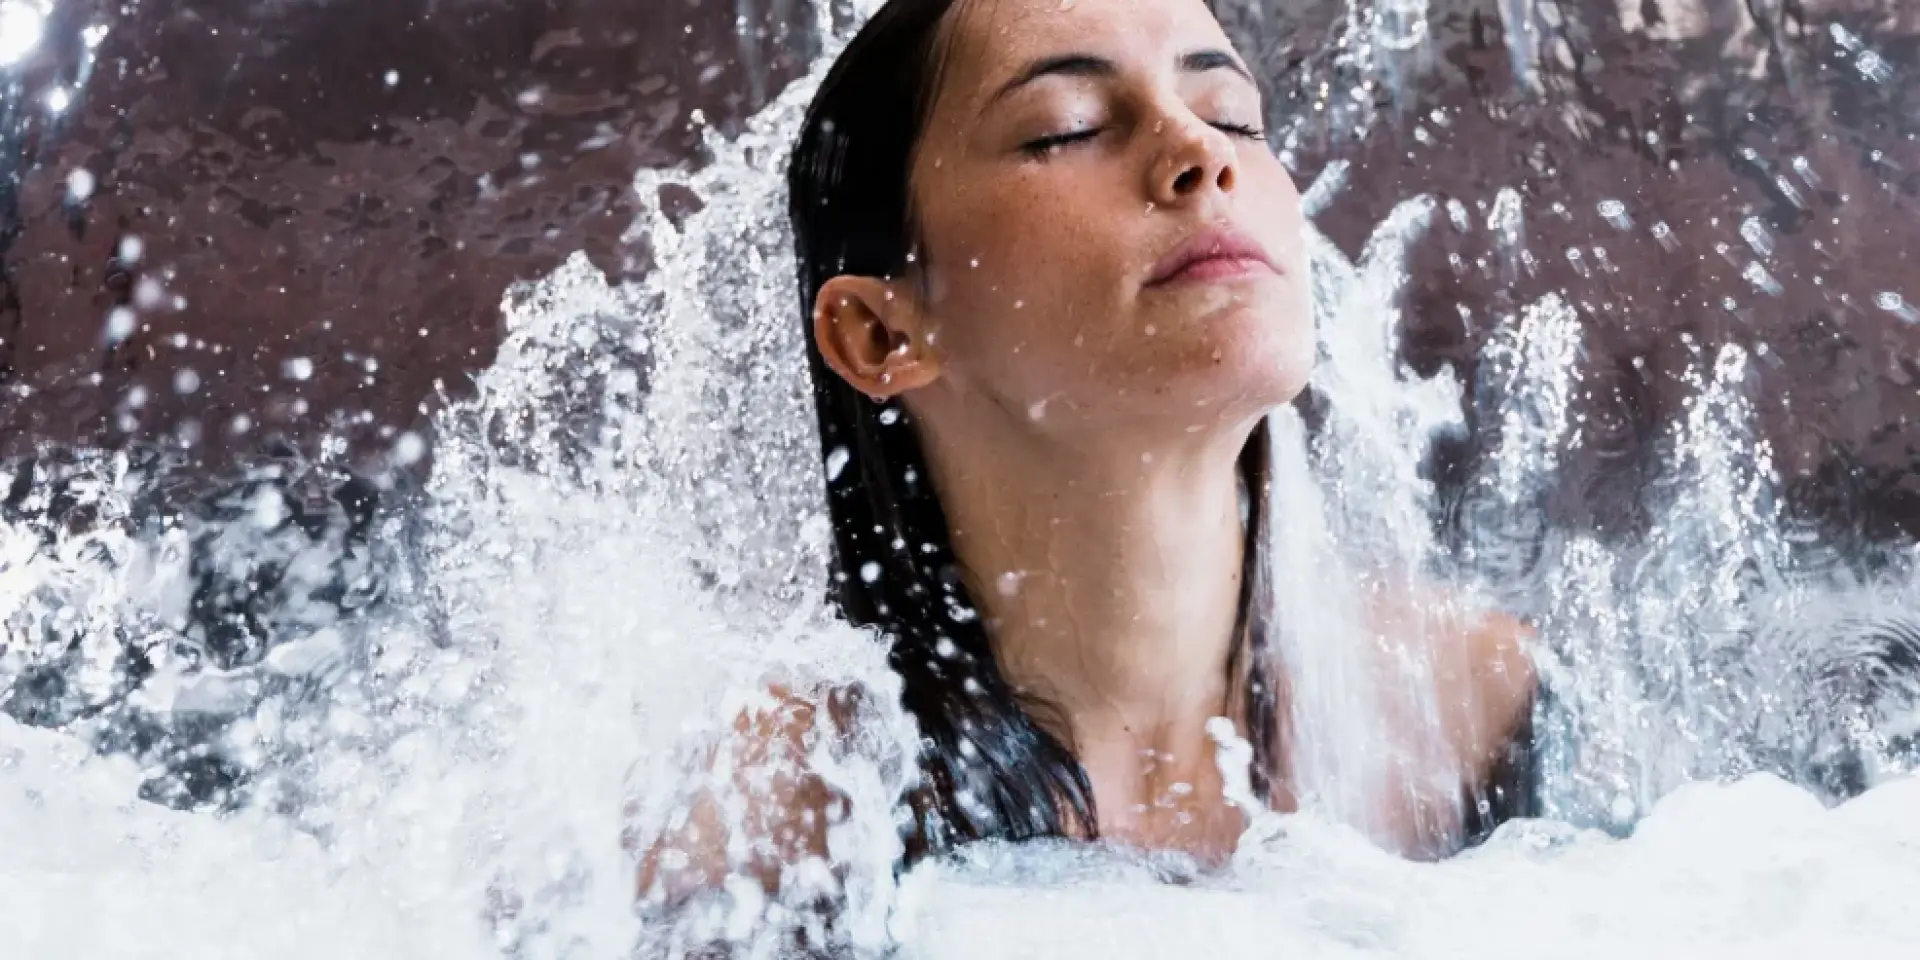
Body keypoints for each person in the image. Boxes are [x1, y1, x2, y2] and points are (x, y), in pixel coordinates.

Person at [635, 0, 1535, 910]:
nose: (1202, 152)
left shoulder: (1469, 710)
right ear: (879, 332)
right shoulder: (769, 821)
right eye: (1068, 130)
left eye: (1232, 115)